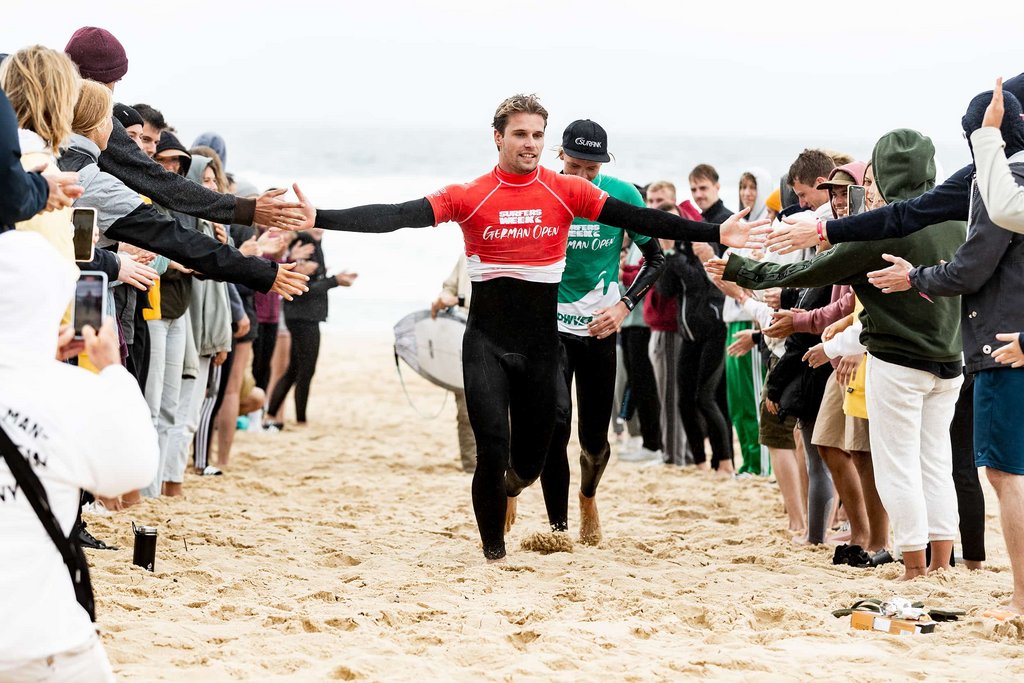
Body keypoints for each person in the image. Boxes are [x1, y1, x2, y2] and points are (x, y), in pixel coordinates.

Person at [287, 93, 766, 561]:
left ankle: (523, 487)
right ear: (497, 137)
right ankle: (493, 553)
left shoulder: (568, 191)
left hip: (540, 347)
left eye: (538, 134)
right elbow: (396, 215)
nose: (530, 143)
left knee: (529, 463)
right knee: (491, 446)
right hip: (486, 344)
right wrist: (320, 218)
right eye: (520, 134)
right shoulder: (469, 195)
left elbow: (636, 217)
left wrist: (715, 232)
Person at [713, 130, 965, 576]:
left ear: (885, 174)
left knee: (897, 466)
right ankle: (942, 564)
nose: (868, 186)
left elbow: (809, 269)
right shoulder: (954, 221)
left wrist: (737, 267)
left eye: (873, 177)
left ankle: (912, 566)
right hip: (950, 364)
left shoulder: (883, 228)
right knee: (935, 463)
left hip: (899, 362)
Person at [867, 92, 1024, 599]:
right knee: (943, 463)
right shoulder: (981, 198)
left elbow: (972, 267)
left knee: (997, 473)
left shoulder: (1000, 189)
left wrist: (916, 277)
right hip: (960, 360)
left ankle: (1006, 593)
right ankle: (946, 560)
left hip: (996, 349)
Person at [0, 229, 158, 682]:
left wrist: (35, 356)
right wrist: (112, 372)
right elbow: (132, 477)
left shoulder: (57, 387)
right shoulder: (70, 394)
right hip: (39, 642)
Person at [539, 119, 665, 544]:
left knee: (595, 442)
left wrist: (623, 305)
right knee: (554, 426)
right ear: (560, 157)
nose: (583, 178)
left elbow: (656, 259)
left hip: (598, 331)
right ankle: (557, 528)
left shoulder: (623, 194)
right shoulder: (541, 190)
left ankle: (588, 496)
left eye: (591, 169)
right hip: (550, 329)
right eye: (575, 166)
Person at [63, 26, 305, 232]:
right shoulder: (100, 121)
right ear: (95, 81)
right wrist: (247, 209)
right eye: (113, 81)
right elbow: (159, 181)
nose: (113, 90)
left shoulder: (43, 116)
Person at [266, 228, 357, 427]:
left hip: (303, 314)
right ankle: (297, 420)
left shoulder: (314, 243)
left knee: (296, 368)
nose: (320, 228)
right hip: (302, 315)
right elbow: (303, 287)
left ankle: (273, 414)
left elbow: (311, 281)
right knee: (305, 369)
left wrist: (331, 279)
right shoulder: (304, 241)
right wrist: (335, 281)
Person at [431, 254, 476, 473]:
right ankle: (470, 465)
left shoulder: (507, 251)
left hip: (499, 337)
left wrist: (458, 300)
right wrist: (444, 298)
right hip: (461, 334)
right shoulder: (465, 254)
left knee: (505, 409)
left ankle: (506, 463)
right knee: (465, 407)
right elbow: (449, 286)